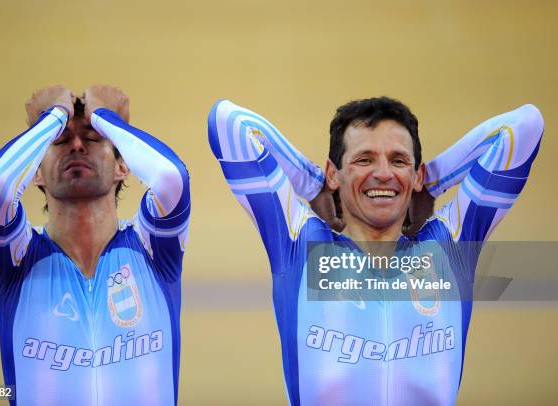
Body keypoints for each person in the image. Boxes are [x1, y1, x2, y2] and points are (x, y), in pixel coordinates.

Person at [207, 97, 543, 405]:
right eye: (364, 159)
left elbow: (525, 126)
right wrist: (311, 184)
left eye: (398, 161)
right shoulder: (301, 246)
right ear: (333, 173)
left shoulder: (448, 248)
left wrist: (432, 184)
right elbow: (229, 123)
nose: (383, 174)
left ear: (416, 174)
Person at [0, 85, 190, 405]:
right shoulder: (16, 259)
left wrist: (107, 119)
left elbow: (172, 177)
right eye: (60, 140)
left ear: (122, 166)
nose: (76, 145)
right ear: (35, 174)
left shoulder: (151, 247)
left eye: (92, 138)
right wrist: (52, 118)